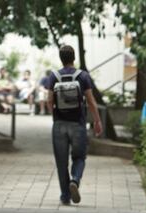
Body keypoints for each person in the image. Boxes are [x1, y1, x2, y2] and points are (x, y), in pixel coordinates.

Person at [47, 45, 103, 205]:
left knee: (61, 162)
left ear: (61, 58)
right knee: (79, 157)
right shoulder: (83, 76)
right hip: (78, 124)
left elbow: (49, 100)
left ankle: (65, 196)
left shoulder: (54, 76)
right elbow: (91, 102)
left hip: (59, 124)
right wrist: (97, 121)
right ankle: (75, 181)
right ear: (74, 58)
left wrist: (55, 117)